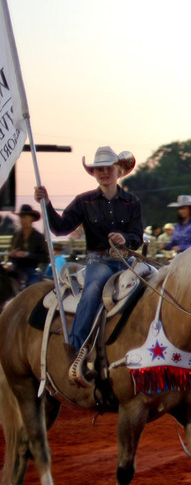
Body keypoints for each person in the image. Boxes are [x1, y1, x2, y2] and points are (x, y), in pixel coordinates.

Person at [35, 145, 144, 384]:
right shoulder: (84, 201)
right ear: (94, 173)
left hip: (127, 261)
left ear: (118, 170)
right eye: (98, 169)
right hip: (99, 261)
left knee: (155, 283)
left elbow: (138, 237)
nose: (104, 172)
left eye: (108, 167)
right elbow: (60, 228)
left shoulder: (131, 202)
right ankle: (76, 348)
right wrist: (47, 205)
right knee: (93, 288)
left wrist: (125, 239)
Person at [8, 204, 50, 287]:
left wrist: (27, 255)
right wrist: (13, 254)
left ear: (32, 219)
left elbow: (45, 258)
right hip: (16, 269)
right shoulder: (16, 235)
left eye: (25, 217)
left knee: (32, 286)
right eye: (21, 217)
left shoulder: (38, 237)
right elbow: (10, 255)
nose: (22, 220)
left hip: (31, 270)